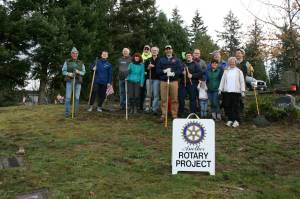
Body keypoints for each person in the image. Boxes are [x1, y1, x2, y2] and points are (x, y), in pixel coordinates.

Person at [157, 45, 182, 121]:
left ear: (172, 50)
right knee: (164, 99)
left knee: (174, 99)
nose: (168, 50)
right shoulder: (161, 60)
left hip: (173, 81)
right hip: (164, 81)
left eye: (169, 49)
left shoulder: (177, 60)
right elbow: (158, 71)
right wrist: (164, 71)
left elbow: (179, 70)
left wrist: (173, 73)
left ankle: (174, 115)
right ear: (165, 51)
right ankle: (164, 115)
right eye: (166, 49)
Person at [218, 57, 245, 128]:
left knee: (235, 106)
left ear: (235, 63)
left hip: (236, 92)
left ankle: (237, 120)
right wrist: (220, 89)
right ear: (228, 63)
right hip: (227, 91)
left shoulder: (239, 71)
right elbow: (222, 80)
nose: (232, 63)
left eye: (233, 62)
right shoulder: (226, 71)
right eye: (230, 62)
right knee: (227, 106)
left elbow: (242, 81)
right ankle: (230, 119)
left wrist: (242, 90)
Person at [62, 47, 86, 118]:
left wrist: (78, 72)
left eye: (76, 53)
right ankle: (67, 113)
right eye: (73, 53)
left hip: (78, 81)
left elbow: (84, 72)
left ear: (78, 54)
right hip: (69, 81)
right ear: (71, 54)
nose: (75, 54)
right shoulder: (67, 61)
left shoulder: (81, 63)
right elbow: (63, 71)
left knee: (76, 98)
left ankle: (75, 113)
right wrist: (69, 74)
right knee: (68, 98)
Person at [178, 52, 202, 116]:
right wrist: (181, 73)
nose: (188, 56)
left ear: (192, 57)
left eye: (189, 55)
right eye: (187, 56)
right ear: (185, 57)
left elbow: (200, 73)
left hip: (192, 84)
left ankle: (192, 113)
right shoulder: (183, 64)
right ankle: (181, 112)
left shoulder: (196, 64)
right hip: (183, 84)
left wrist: (192, 75)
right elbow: (178, 73)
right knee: (181, 98)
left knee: (192, 99)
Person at [144, 46, 160, 114]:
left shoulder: (160, 60)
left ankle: (154, 109)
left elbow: (161, 68)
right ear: (151, 51)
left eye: (155, 50)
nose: (154, 51)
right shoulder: (148, 60)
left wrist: (154, 66)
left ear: (158, 52)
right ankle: (147, 108)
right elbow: (145, 69)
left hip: (157, 79)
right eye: (153, 50)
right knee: (148, 94)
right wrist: (148, 67)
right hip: (149, 79)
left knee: (156, 94)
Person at [140, 45, 153, 111]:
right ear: (143, 49)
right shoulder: (140, 57)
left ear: (150, 50)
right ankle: (141, 106)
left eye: (148, 49)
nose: (146, 50)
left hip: (149, 77)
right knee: (141, 91)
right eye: (145, 48)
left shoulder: (151, 57)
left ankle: (149, 106)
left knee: (149, 92)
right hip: (141, 77)